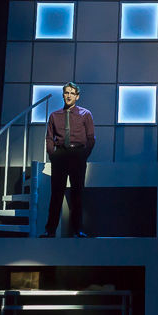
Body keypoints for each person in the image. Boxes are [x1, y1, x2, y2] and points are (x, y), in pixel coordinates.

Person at [42, 82, 95, 238]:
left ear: (77, 96)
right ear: (63, 95)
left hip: (77, 154)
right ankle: (50, 230)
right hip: (60, 155)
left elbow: (91, 138)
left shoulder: (85, 114)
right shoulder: (54, 115)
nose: (69, 95)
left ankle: (77, 230)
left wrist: (83, 155)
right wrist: (52, 154)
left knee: (77, 193)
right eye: (66, 92)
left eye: (72, 93)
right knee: (56, 194)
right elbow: (49, 138)